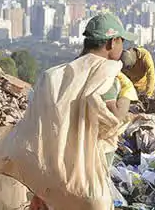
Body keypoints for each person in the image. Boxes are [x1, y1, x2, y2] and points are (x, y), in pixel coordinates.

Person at [28, 13, 138, 210]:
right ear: (112, 43)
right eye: (122, 41)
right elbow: (114, 120)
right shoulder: (104, 75)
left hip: (54, 176)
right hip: (88, 179)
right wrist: (126, 94)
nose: (123, 48)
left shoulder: (56, 76)